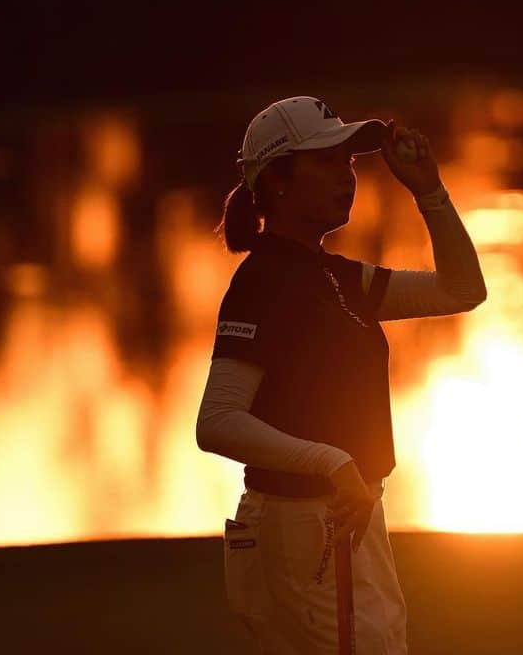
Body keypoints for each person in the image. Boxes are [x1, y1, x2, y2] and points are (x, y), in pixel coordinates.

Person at [196, 96, 487, 654]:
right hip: (303, 523)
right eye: (326, 160)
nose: (346, 175)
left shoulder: (335, 277)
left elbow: (462, 289)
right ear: (278, 179)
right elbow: (218, 422)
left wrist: (429, 191)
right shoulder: (263, 282)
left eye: (348, 161)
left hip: (348, 515)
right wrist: (333, 463)